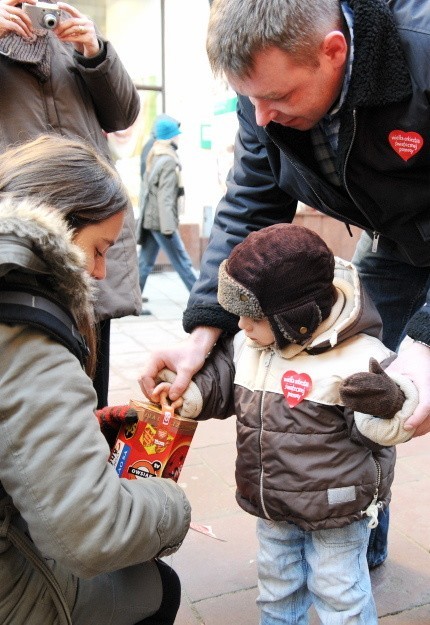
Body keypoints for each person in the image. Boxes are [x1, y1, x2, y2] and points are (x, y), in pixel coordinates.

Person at [139, 0, 430, 568]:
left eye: (278, 98)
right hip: (395, 239)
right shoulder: (264, 98)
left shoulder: (421, 49)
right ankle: (355, 534)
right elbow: (251, 201)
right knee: (352, 380)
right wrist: (204, 332)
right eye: (250, 99)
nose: (262, 117)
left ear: (334, 52)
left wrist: (427, 341)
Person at [148, 223, 410, 624]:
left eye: (251, 317)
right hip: (272, 498)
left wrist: (386, 404)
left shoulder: (361, 357)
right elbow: (221, 380)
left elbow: (384, 429)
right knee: (276, 586)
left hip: (335, 505)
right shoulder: (252, 343)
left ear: (295, 318)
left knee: (339, 590)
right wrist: (189, 393)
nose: (241, 326)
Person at [0, 134, 191, 625]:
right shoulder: (25, 331)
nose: (102, 273)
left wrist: (71, 436)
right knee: (157, 586)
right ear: (59, 226)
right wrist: (172, 505)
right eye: (99, 249)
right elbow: (91, 534)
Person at [0, 0, 142, 408]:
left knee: (90, 382)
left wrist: (96, 53)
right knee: (31, 390)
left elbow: (123, 113)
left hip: (93, 223)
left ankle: (87, 451)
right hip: (25, 240)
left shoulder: (67, 43)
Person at [137, 117, 198, 314]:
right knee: (183, 262)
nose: (179, 138)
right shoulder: (168, 160)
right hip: (162, 222)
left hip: (151, 218)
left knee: (145, 262)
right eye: (176, 135)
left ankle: (134, 302)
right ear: (170, 137)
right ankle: (202, 301)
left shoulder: (154, 155)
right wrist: (169, 228)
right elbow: (165, 197)